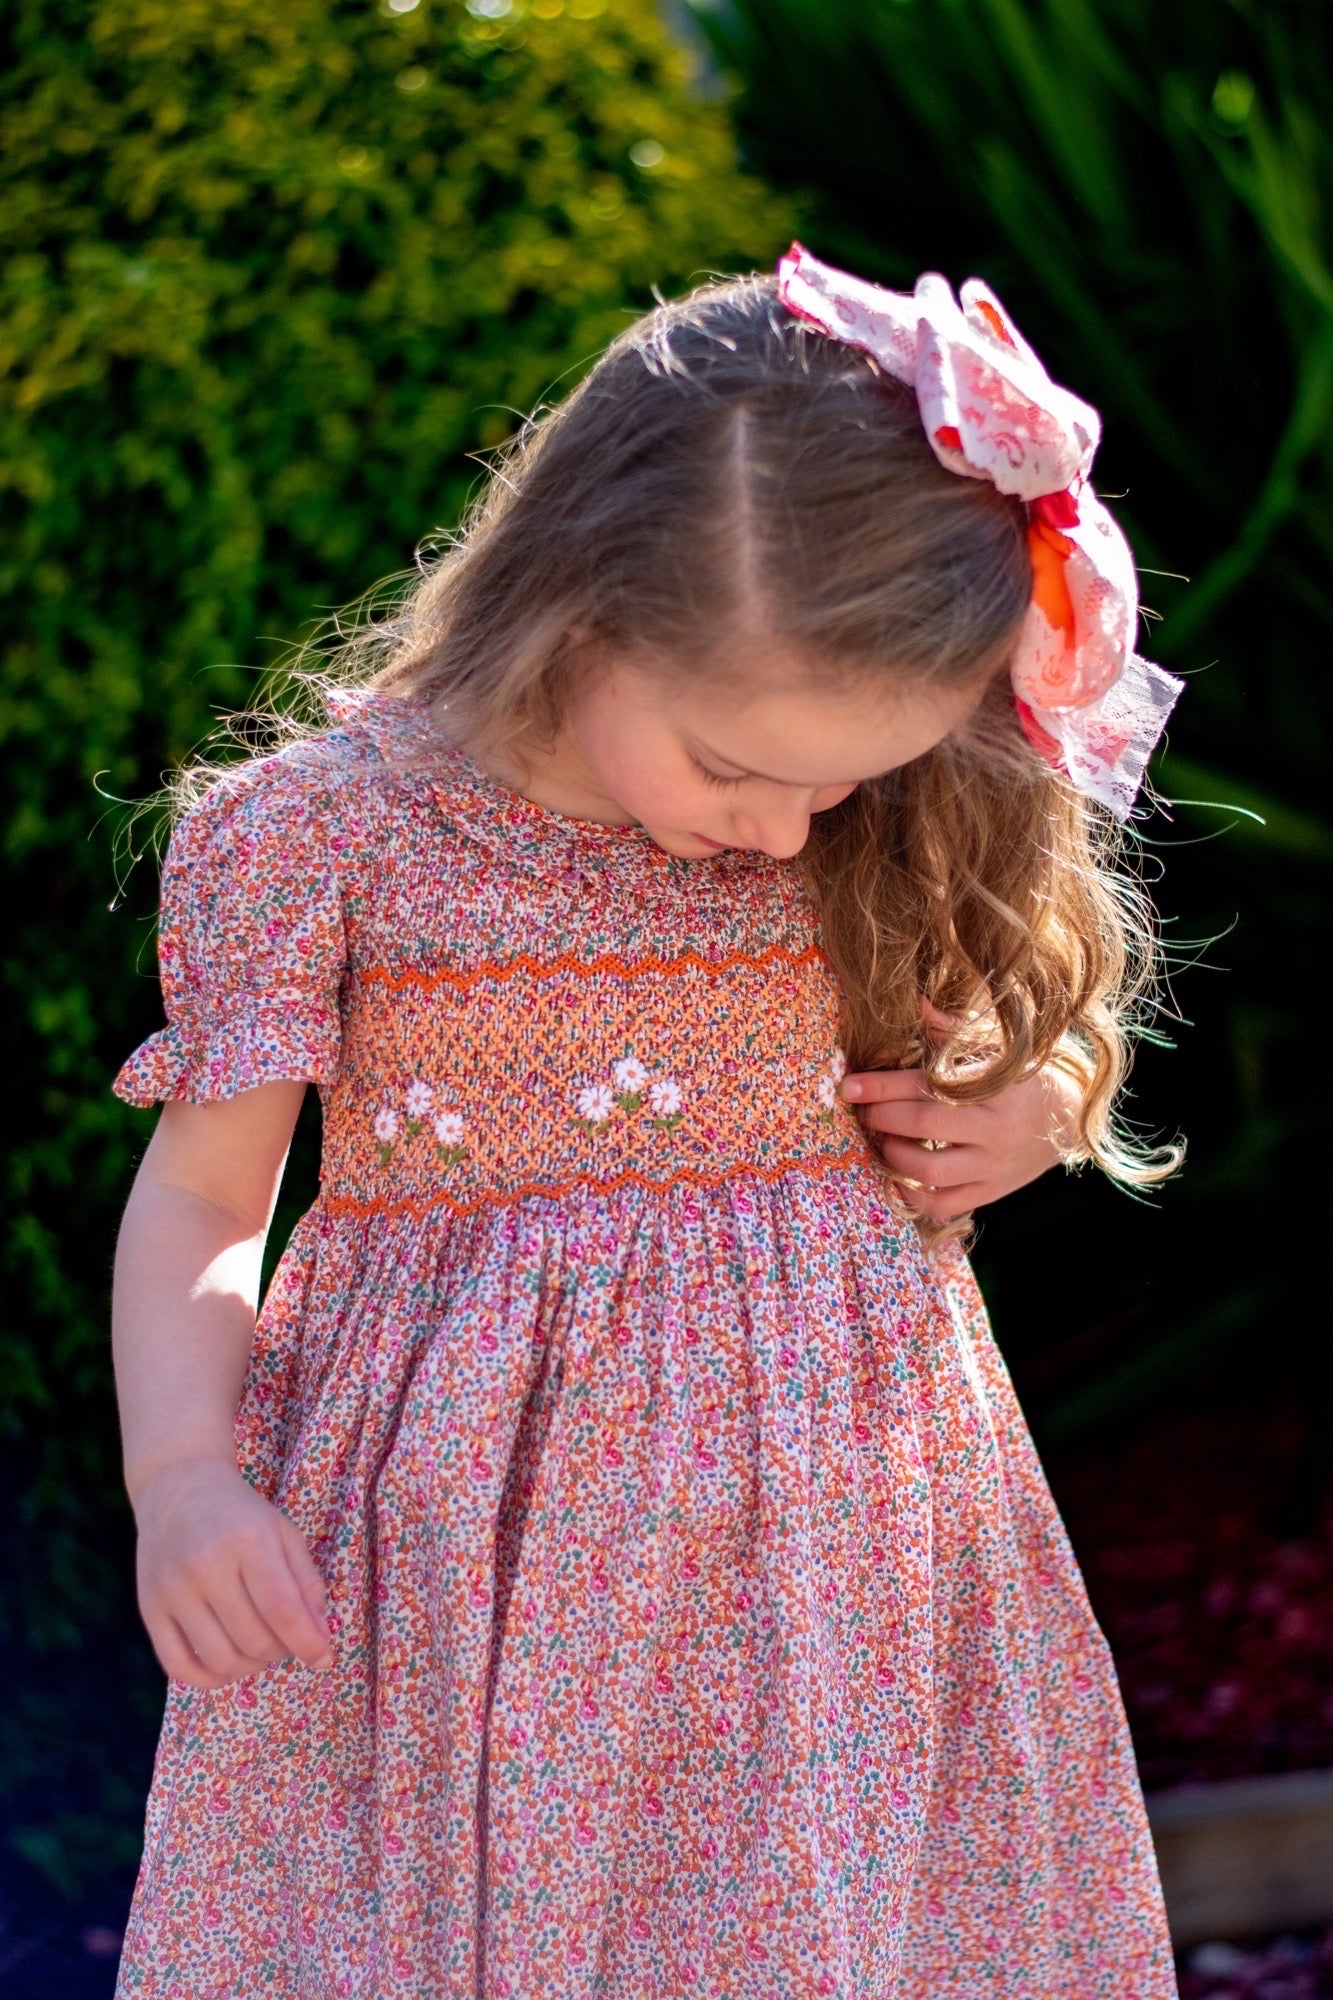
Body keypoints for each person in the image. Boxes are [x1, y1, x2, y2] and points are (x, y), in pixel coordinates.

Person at [109, 244, 1185, 1997]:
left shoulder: (861, 824)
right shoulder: (325, 839)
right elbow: (207, 1200)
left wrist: (1036, 1105)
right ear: (579, 606)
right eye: (736, 770)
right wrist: (185, 1477)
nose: (782, 831)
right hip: (460, 1590)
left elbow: (1014, 1028)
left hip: (831, 1579)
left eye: (833, 784)